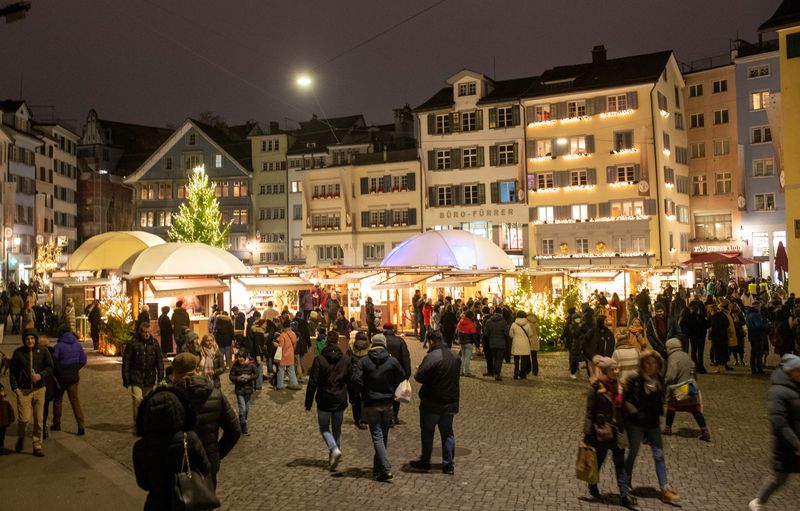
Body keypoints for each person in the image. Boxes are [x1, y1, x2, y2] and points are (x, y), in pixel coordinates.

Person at [132, 386, 211, 511]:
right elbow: (205, 468)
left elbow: (143, 483)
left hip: (157, 504)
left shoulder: (141, 447)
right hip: (187, 503)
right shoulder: (189, 439)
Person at [170, 352, 240, 487]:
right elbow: (235, 430)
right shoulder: (216, 394)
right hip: (207, 463)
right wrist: (217, 453)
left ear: (175, 372)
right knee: (206, 502)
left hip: (178, 464)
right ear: (197, 368)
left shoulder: (168, 397)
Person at [623, 350, 679, 503]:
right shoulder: (634, 379)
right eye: (647, 362)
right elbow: (626, 400)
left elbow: (659, 401)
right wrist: (635, 413)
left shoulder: (658, 381)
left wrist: (660, 418)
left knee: (659, 455)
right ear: (642, 364)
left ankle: (664, 488)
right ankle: (626, 479)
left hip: (653, 424)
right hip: (637, 424)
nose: (651, 366)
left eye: (654, 362)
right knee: (632, 453)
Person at [748, 354, 800, 511]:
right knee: (779, 478)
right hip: (786, 445)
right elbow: (779, 422)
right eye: (798, 370)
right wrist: (796, 444)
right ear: (789, 371)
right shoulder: (777, 391)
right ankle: (758, 502)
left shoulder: (797, 387)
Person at [351, 333, 406, 481]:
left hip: (371, 404)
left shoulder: (364, 362)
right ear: (384, 344)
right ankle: (379, 470)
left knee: (377, 436)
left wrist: (363, 391)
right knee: (383, 437)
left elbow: (356, 381)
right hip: (387, 404)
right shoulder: (392, 361)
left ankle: (384, 468)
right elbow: (402, 377)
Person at [582, 357, 634, 508]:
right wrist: (587, 433)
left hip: (618, 431)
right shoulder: (596, 389)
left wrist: (629, 429)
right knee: (599, 460)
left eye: (617, 369)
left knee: (620, 464)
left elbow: (624, 410)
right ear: (605, 371)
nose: (616, 371)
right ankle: (592, 483)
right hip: (602, 433)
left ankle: (625, 495)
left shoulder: (620, 387)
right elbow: (590, 413)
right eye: (613, 369)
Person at [409, 330, 460, 475]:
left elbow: (419, 377)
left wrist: (419, 370)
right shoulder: (455, 356)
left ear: (431, 341)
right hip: (450, 401)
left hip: (432, 402)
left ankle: (425, 461)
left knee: (427, 432)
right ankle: (448, 464)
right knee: (447, 433)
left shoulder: (431, 357)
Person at [305, 330, 351, 471]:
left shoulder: (319, 359)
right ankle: (333, 457)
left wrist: (308, 402)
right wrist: (354, 399)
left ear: (326, 342)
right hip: (339, 398)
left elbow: (313, 381)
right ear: (338, 341)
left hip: (324, 398)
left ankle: (334, 450)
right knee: (337, 428)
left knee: (324, 428)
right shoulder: (345, 359)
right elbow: (350, 380)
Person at [9, 329, 54, 457]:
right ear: (24, 340)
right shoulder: (18, 353)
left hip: (39, 390)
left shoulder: (43, 351)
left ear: (36, 339)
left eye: (32, 338)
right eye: (28, 339)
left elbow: (50, 367)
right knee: (24, 419)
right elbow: (12, 373)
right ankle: (21, 436)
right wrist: (16, 389)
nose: (30, 341)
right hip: (24, 391)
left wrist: (41, 375)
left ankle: (37, 445)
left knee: (39, 420)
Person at [663, 338, 710, 441]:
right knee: (694, 409)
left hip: (679, 388)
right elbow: (693, 369)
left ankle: (668, 428)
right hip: (689, 387)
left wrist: (664, 381)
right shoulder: (685, 355)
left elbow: (671, 375)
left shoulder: (673, 358)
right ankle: (704, 430)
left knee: (671, 406)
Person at [122, 321, 164, 424]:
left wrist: (161, 378)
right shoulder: (133, 343)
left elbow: (159, 361)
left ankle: (147, 423)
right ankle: (138, 424)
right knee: (138, 401)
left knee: (148, 402)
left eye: (149, 332)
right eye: (145, 332)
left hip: (149, 377)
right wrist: (126, 378)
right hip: (136, 377)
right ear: (140, 332)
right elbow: (126, 361)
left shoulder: (154, 343)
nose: (147, 334)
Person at [51, 325, 87, 435]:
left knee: (58, 400)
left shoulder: (58, 346)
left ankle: (57, 424)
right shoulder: (78, 345)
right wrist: (75, 369)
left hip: (60, 378)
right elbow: (83, 360)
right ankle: (81, 425)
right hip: (73, 377)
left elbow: (53, 361)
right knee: (75, 401)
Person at [383, 324, 411, 426]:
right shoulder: (400, 341)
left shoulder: (382, 341)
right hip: (397, 373)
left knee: (386, 394)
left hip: (384, 372)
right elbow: (405, 358)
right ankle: (394, 416)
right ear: (393, 330)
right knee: (396, 396)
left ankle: (387, 416)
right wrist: (407, 374)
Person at [229, 349, 257, 435]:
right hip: (239, 389)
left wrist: (249, 377)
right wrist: (237, 378)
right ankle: (243, 426)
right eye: (238, 357)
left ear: (245, 357)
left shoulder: (251, 365)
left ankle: (243, 420)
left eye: (241, 357)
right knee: (242, 408)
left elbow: (256, 374)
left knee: (247, 408)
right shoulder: (235, 365)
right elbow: (231, 376)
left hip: (248, 389)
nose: (240, 358)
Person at [346, 332, 370, 429]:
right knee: (365, 398)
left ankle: (356, 418)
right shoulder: (369, 348)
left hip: (354, 375)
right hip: (366, 375)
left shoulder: (351, 348)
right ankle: (363, 420)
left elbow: (346, 362)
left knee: (355, 398)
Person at [680, 301, 708, 374]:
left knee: (693, 352)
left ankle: (695, 366)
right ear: (698, 311)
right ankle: (701, 367)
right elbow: (707, 325)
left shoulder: (688, 317)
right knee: (700, 353)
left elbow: (684, 326)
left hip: (693, 338)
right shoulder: (701, 317)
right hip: (701, 338)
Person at [483, 308, 510, 381]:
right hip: (501, 342)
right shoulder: (503, 321)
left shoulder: (489, 321)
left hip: (492, 342)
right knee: (499, 359)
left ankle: (495, 372)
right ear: (501, 313)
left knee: (494, 358)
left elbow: (486, 333)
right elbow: (506, 333)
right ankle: (497, 373)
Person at [274, 320, 301, 390]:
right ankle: (294, 383)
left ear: (284, 327)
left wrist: (276, 345)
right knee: (291, 370)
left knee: (281, 370)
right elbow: (294, 345)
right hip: (291, 354)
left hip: (283, 355)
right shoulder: (293, 334)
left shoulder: (283, 335)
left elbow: (281, 346)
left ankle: (280, 385)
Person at [746, 302, 769, 375]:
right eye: (759, 307)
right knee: (758, 353)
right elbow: (759, 325)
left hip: (752, 335)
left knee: (754, 352)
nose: (760, 308)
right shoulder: (755, 314)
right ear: (757, 307)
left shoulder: (749, 314)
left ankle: (754, 369)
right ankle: (758, 369)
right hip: (757, 335)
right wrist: (766, 325)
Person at [510, 310, 534, 380]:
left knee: (516, 359)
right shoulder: (527, 324)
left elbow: (510, 334)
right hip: (525, 343)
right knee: (524, 359)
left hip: (516, 343)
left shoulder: (514, 324)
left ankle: (516, 371)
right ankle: (523, 374)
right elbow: (530, 334)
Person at [456, 311, 478, 377]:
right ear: (471, 316)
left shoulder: (460, 322)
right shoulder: (471, 324)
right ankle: (467, 372)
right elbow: (474, 335)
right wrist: (477, 345)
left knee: (463, 356)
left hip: (462, 342)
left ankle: (461, 371)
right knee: (467, 358)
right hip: (469, 342)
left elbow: (457, 331)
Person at [0, 383, 15, 455]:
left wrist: (12, 419)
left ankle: (1, 446)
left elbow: (10, 411)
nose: (1, 393)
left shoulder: (6, 403)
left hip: (3, 424)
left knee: (2, 436)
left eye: (2, 391)